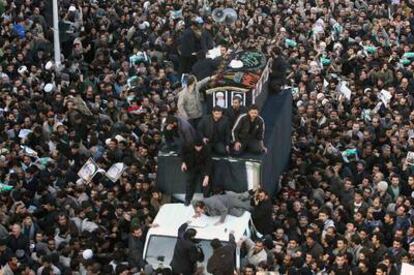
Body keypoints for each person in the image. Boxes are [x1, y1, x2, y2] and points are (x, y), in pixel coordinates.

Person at [181, 137, 213, 205]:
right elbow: (182, 153)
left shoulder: (206, 149)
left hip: (202, 166)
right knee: (189, 180)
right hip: (192, 166)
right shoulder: (188, 146)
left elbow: (209, 163)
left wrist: (207, 175)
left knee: (206, 182)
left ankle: (207, 198)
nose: (198, 148)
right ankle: (188, 199)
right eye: (197, 147)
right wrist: (183, 162)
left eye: (200, 147)